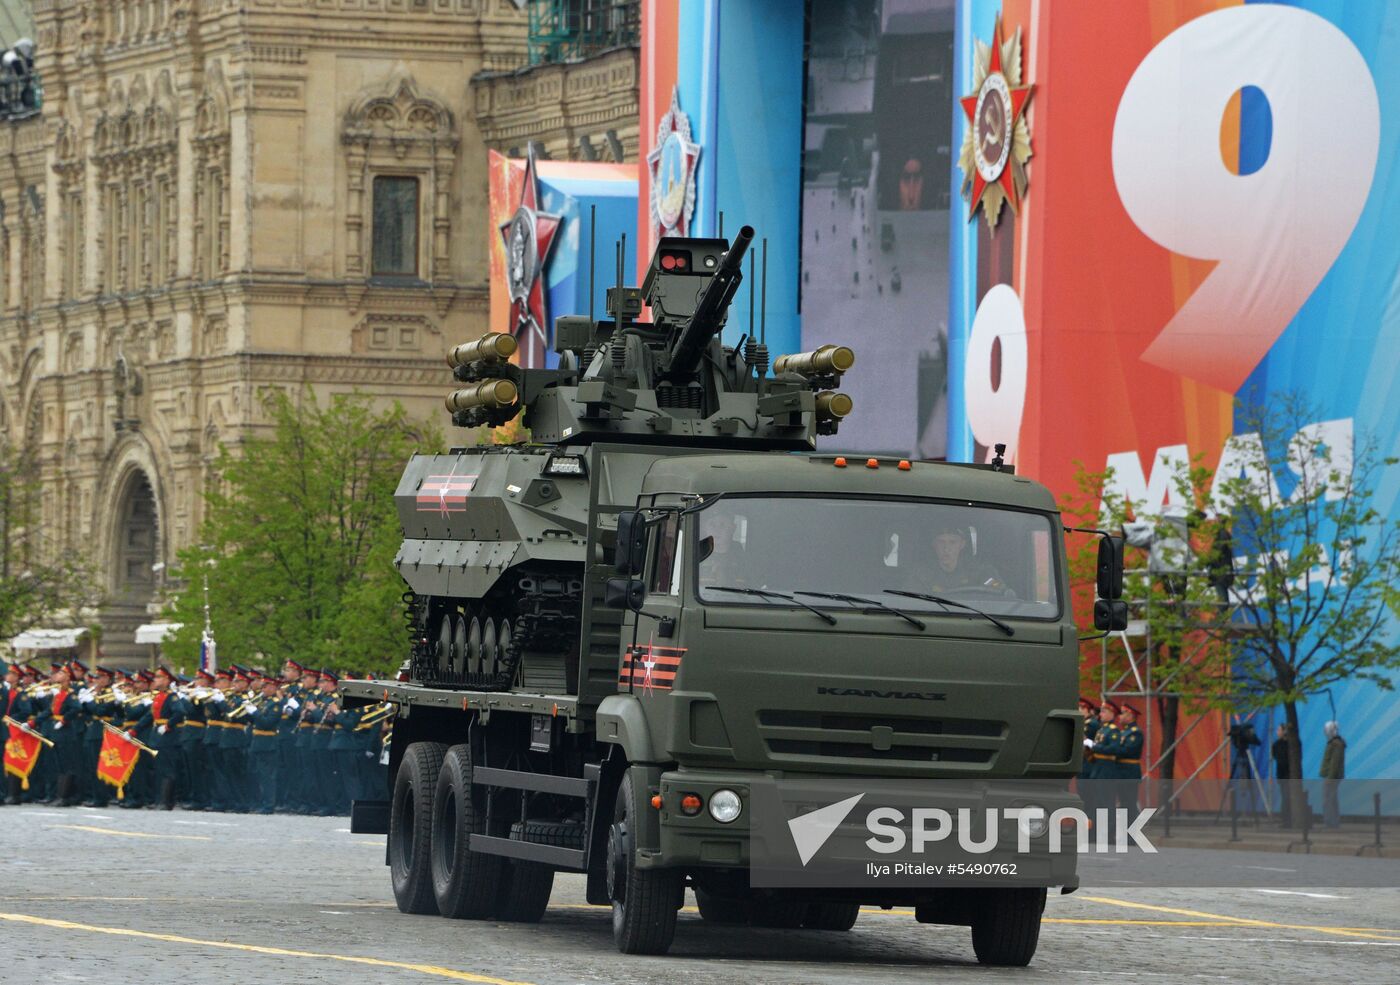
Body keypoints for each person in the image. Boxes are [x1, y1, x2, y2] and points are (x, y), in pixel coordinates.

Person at [925, 519, 1007, 594]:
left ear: (962, 544)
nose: (946, 549)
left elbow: (998, 591)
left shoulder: (980, 571)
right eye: (941, 542)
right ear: (934, 544)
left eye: (952, 542)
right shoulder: (921, 573)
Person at [1320, 720, 1346, 829]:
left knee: (1329, 799)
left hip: (1332, 777)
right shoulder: (1335, 743)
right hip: (1332, 776)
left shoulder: (1336, 744)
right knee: (1332, 799)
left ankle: (1330, 821)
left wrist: (1330, 777)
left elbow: (1334, 763)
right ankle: (1333, 821)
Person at [1271, 723, 1294, 827]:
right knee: (1285, 797)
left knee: (1286, 798)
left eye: (1279, 730)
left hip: (1287, 775)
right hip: (1281, 775)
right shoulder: (1276, 744)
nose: (1277, 732)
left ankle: (1287, 820)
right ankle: (1285, 819)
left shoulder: (1289, 744)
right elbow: (1276, 757)